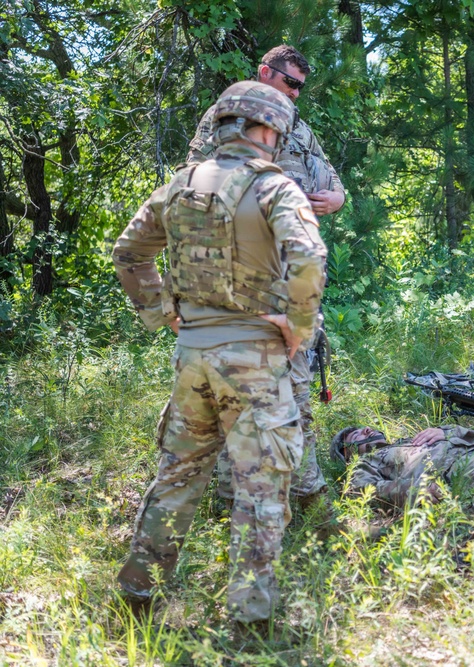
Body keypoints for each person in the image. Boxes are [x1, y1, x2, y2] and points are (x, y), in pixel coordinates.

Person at [113, 81, 327, 625]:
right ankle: (250, 617)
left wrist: (163, 313)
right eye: (276, 132)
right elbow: (308, 256)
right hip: (253, 361)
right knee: (261, 488)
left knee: (178, 474)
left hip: (193, 360)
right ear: (264, 130)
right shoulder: (274, 188)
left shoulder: (179, 185)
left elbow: (129, 252)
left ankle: (139, 591)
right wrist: (298, 326)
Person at [189, 45, 345, 527]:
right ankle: (225, 502)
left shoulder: (298, 128)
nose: (295, 94)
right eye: (289, 83)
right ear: (265, 73)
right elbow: (192, 184)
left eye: (300, 86)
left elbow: (334, 182)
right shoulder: (224, 117)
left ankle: (309, 500)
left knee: (296, 389)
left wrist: (334, 198)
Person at [332, 425, 474, 511]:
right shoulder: (366, 462)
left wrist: (445, 431)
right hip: (473, 470)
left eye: (364, 428)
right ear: (349, 455)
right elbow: (360, 490)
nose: (367, 430)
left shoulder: (410, 440)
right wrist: (413, 491)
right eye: (357, 436)